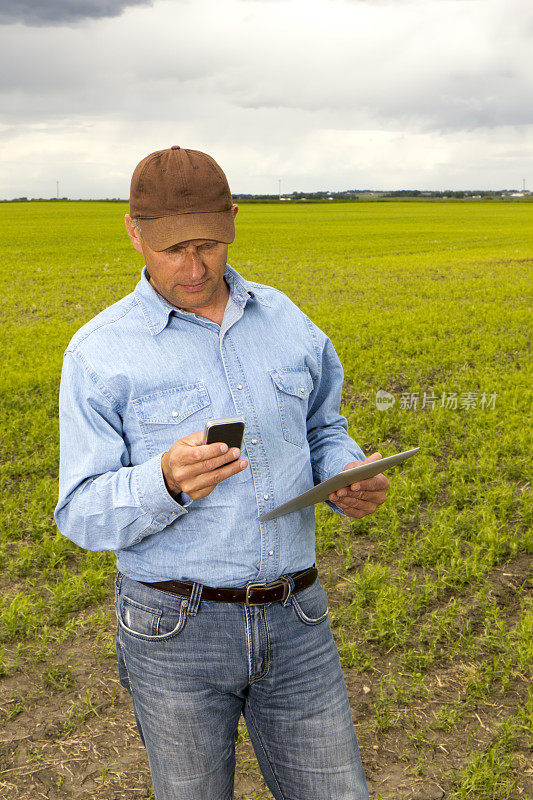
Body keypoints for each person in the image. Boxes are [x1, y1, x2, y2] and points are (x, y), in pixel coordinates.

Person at [55, 145, 389, 800]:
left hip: (296, 621)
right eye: (171, 248)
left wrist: (345, 471)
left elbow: (322, 427)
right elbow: (81, 510)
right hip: (174, 630)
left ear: (233, 221)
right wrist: (166, 480)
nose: (192, 266)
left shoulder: (286, 322)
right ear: (133, 232)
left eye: (208, 244)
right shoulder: (98, 353)